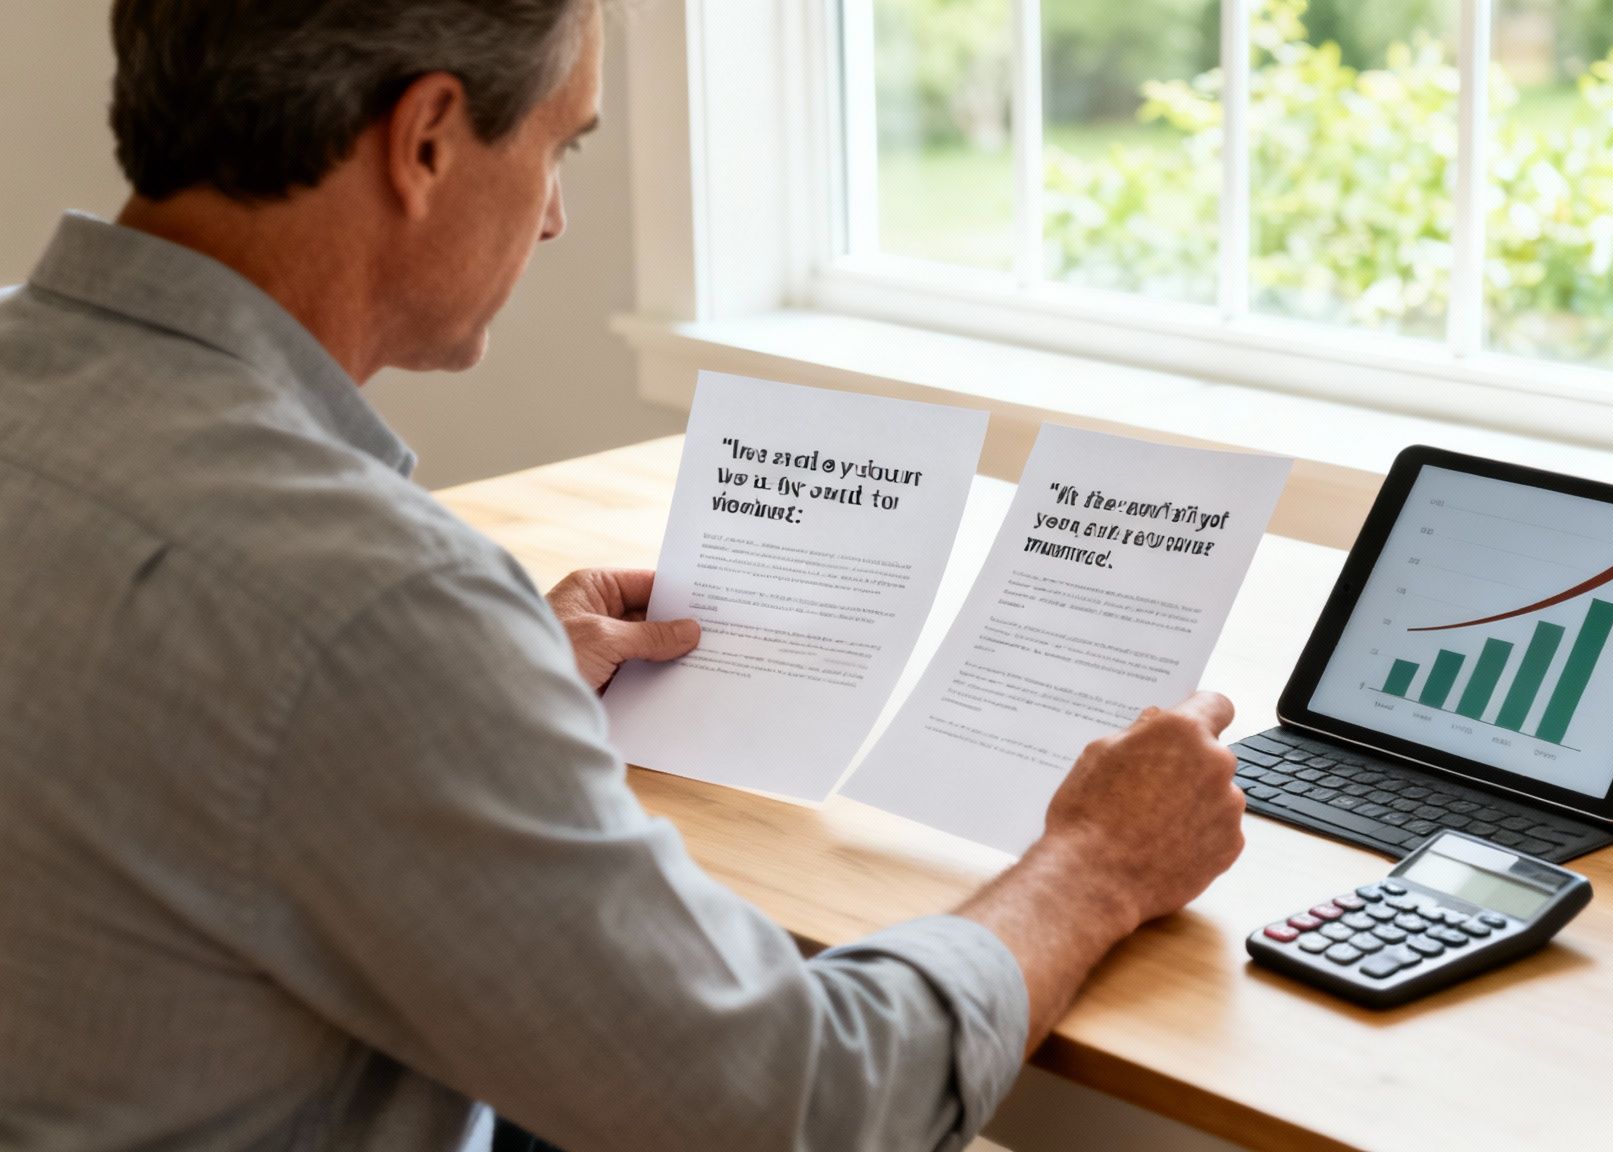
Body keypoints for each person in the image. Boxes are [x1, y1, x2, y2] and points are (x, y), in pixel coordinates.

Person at [0, 2, 1250, 1150]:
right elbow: (799, 1108)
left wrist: (483, 695)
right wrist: (1097, 862)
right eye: (562, 147)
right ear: (426, 139)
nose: (552, 216)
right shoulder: (371, 606)